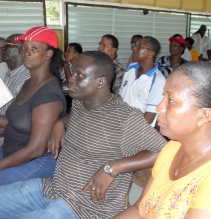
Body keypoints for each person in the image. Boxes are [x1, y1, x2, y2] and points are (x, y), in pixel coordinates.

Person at [0, 51, 166, 219]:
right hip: (53, 188)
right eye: (73, 72)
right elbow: (81, 116)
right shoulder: (82, 102)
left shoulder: (125, 117)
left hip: (85, 207)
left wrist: (113, 168)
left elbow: (163, 151)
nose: (71, 78)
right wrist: (60, 123)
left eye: (79, 75)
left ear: (100, 82)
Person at [113, 61, 211, 219]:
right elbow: (140, 210)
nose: (159, 107)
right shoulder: (173, 148)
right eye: (164, 96)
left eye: (171, 100)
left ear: (204, 116)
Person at [0, 26, 66, 185]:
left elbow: (35, 149)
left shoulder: (48, 95)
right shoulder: (29, 83)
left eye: (34, 48)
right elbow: (16, 123)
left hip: (34, 161)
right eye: (24, 48)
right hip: (12, 152)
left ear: (48, 54)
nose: (26, 53)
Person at [119, 36, 165, 126]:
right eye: (135, 45)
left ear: (151, 54)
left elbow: (148, 118)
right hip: (120, 125)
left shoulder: (158, 80)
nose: (134, 49)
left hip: (138, 132)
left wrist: (122, 122)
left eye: (139, 47)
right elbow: (121, 98)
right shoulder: (131, 68)